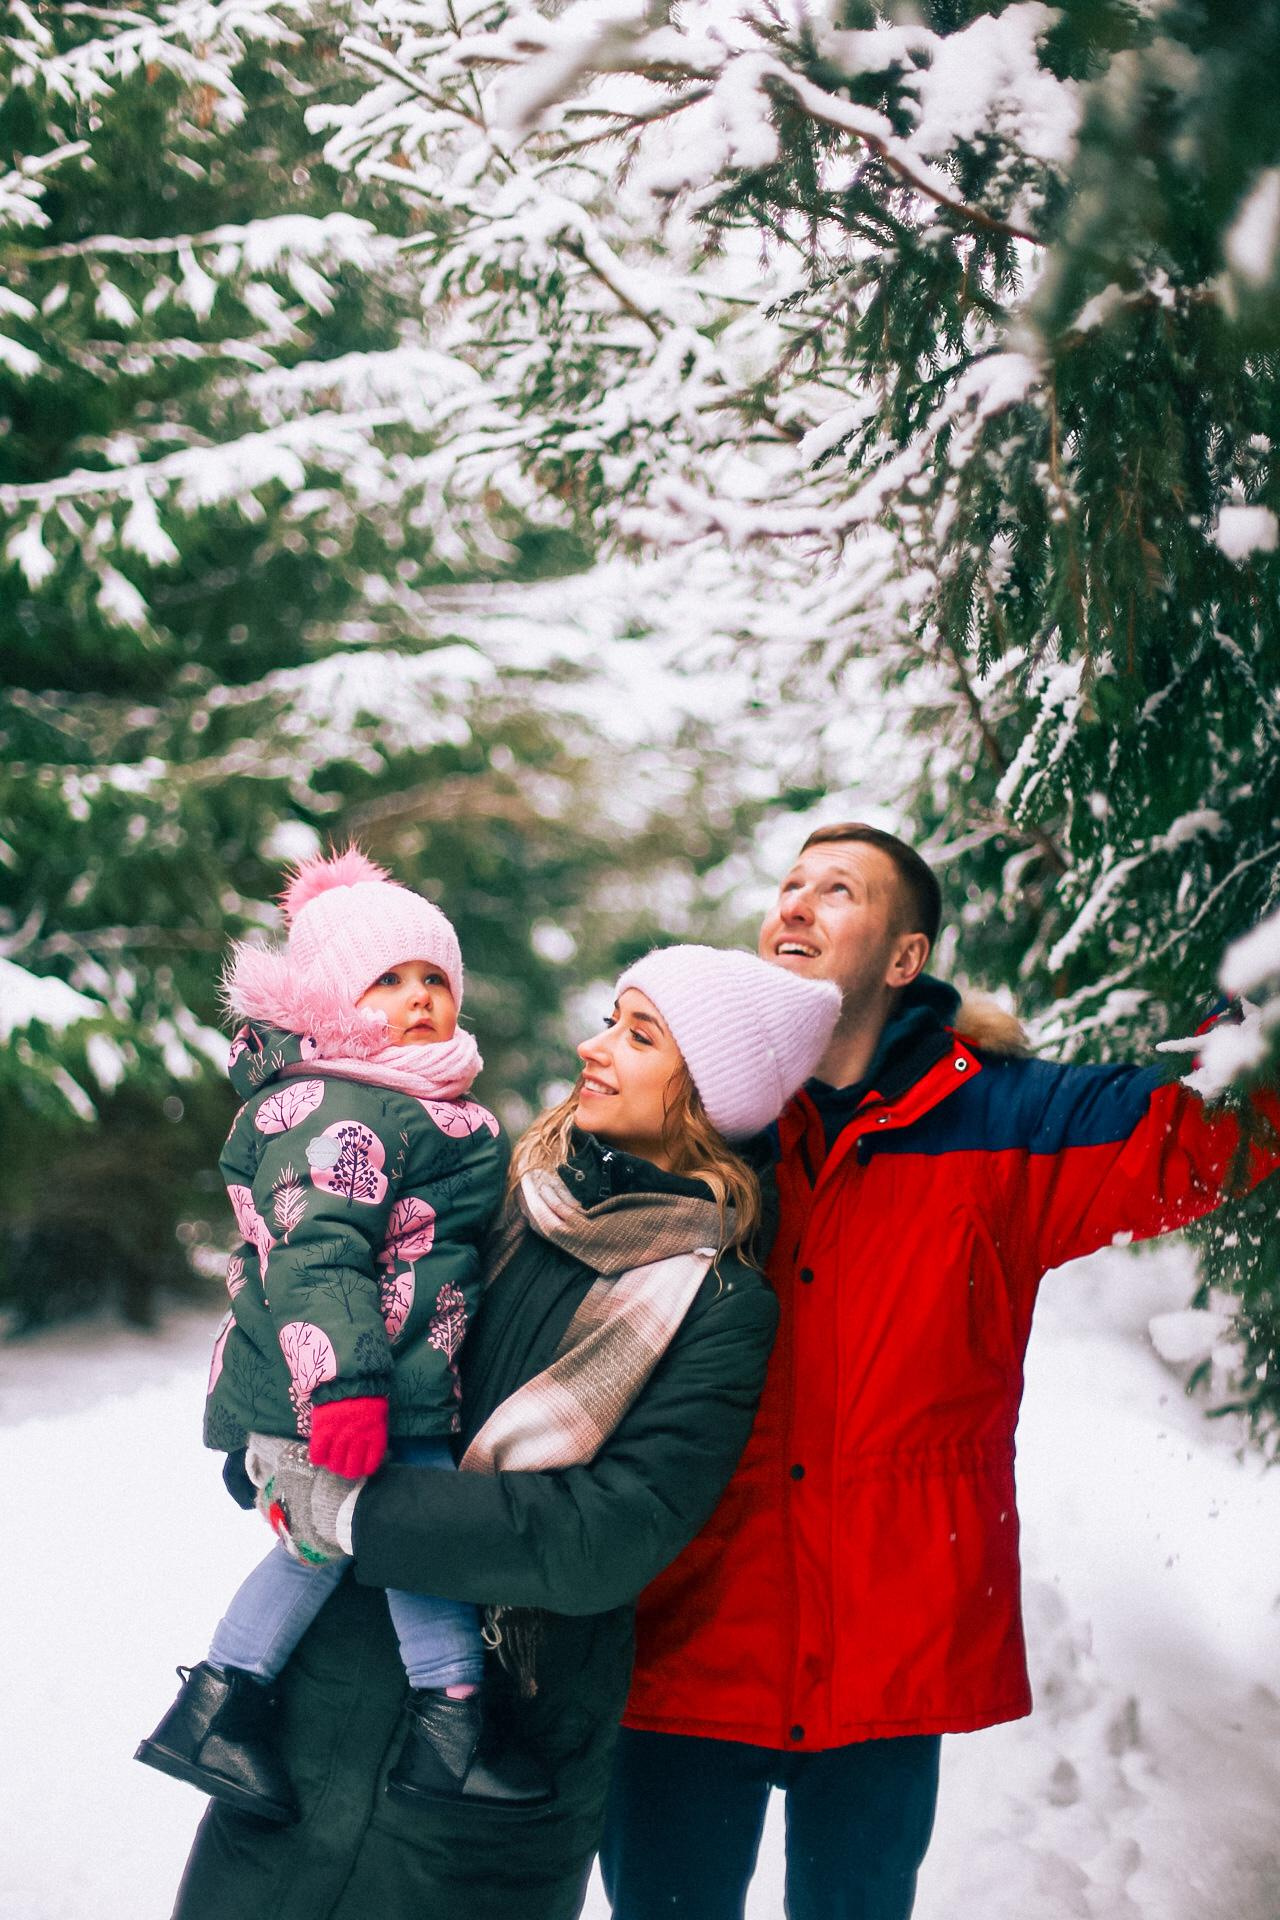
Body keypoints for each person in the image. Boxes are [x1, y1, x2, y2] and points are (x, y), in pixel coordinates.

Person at [600, 822, 1280, 1920]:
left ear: (903, 957)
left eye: (835, 889)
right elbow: (530, 1274)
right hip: (684, 1638)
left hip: (885, 1648)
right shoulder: (694, 1116)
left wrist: (1261, 1021)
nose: (794, 904)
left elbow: (1203, 1126)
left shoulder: (1004, 1122)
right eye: (786, 886)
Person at [162, 940, 842, 1920]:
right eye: (610, 1017)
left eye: (637, 1033)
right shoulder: (505, 1201)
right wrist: (268, 1444)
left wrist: (348, 1507)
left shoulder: (721, 1301)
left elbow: (601, 1538)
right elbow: (333, 1301)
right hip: (316, 1721)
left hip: (491, 1755)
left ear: (706, 1092)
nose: (590, 1044)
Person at [137, 843, 552, 1822]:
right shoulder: (342, 1106)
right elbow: (318, 1256)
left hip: (390, 1379)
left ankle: (219, 1706)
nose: (417, 998)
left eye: (433, 979)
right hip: (345, 1391)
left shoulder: (415, 1103)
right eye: (386, 981)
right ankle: (447, 1726)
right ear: (331, 1002)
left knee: (321, 1551)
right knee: (412, 1541)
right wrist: (346, 1389)